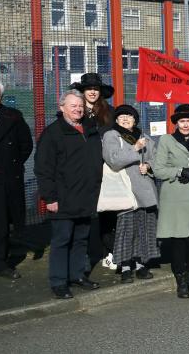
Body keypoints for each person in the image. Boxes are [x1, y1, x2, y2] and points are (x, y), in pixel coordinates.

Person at [35, 90, 103, 299]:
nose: (78, 109)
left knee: (81, 239)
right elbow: (43, 168)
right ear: (62, 107)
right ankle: (59, 282)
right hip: (63, 198)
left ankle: (77, 275)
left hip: (86, 196)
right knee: (61, 240)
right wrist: (50, 197)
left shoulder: (90, 130)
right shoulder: (53, 133)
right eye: (73, 105)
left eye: (80, 105)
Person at [153, 104, 189, 299]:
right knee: (178, 240)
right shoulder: (165, 140)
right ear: (176, 123)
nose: (186, 125)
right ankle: (181, 282)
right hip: (174, 197)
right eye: (182, 121)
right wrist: (179, 171)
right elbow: (159, 169)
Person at [102, 104, 159, 283]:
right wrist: (134, 149)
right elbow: (113, 160)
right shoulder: (111, 135)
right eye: (121, 116)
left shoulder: (145, 138)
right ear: (116, 120)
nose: (126, 119)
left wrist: (148, 166)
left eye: (129, 116)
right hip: (125, 191)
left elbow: (156, 159)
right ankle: (126, 267)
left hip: (146, 191)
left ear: (135, 120)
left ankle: (142, 264)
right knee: (126, 231)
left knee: (145, 230)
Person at [70, 72, 116, 272]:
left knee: (108, 212)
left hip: (106, 168)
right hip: (81, 169)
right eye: (88, 89)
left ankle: (109, 252)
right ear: (82, 91)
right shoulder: (74, 112)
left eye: (95, 89)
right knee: (84, 213)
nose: (92, 92)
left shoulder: (109, 112)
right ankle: (85, 255)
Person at [0, 79, 33, 280]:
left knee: (1, 221)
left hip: (3, 178)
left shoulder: (13, 117)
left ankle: (0, 262)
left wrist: (12, 166)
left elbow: (25, 145)